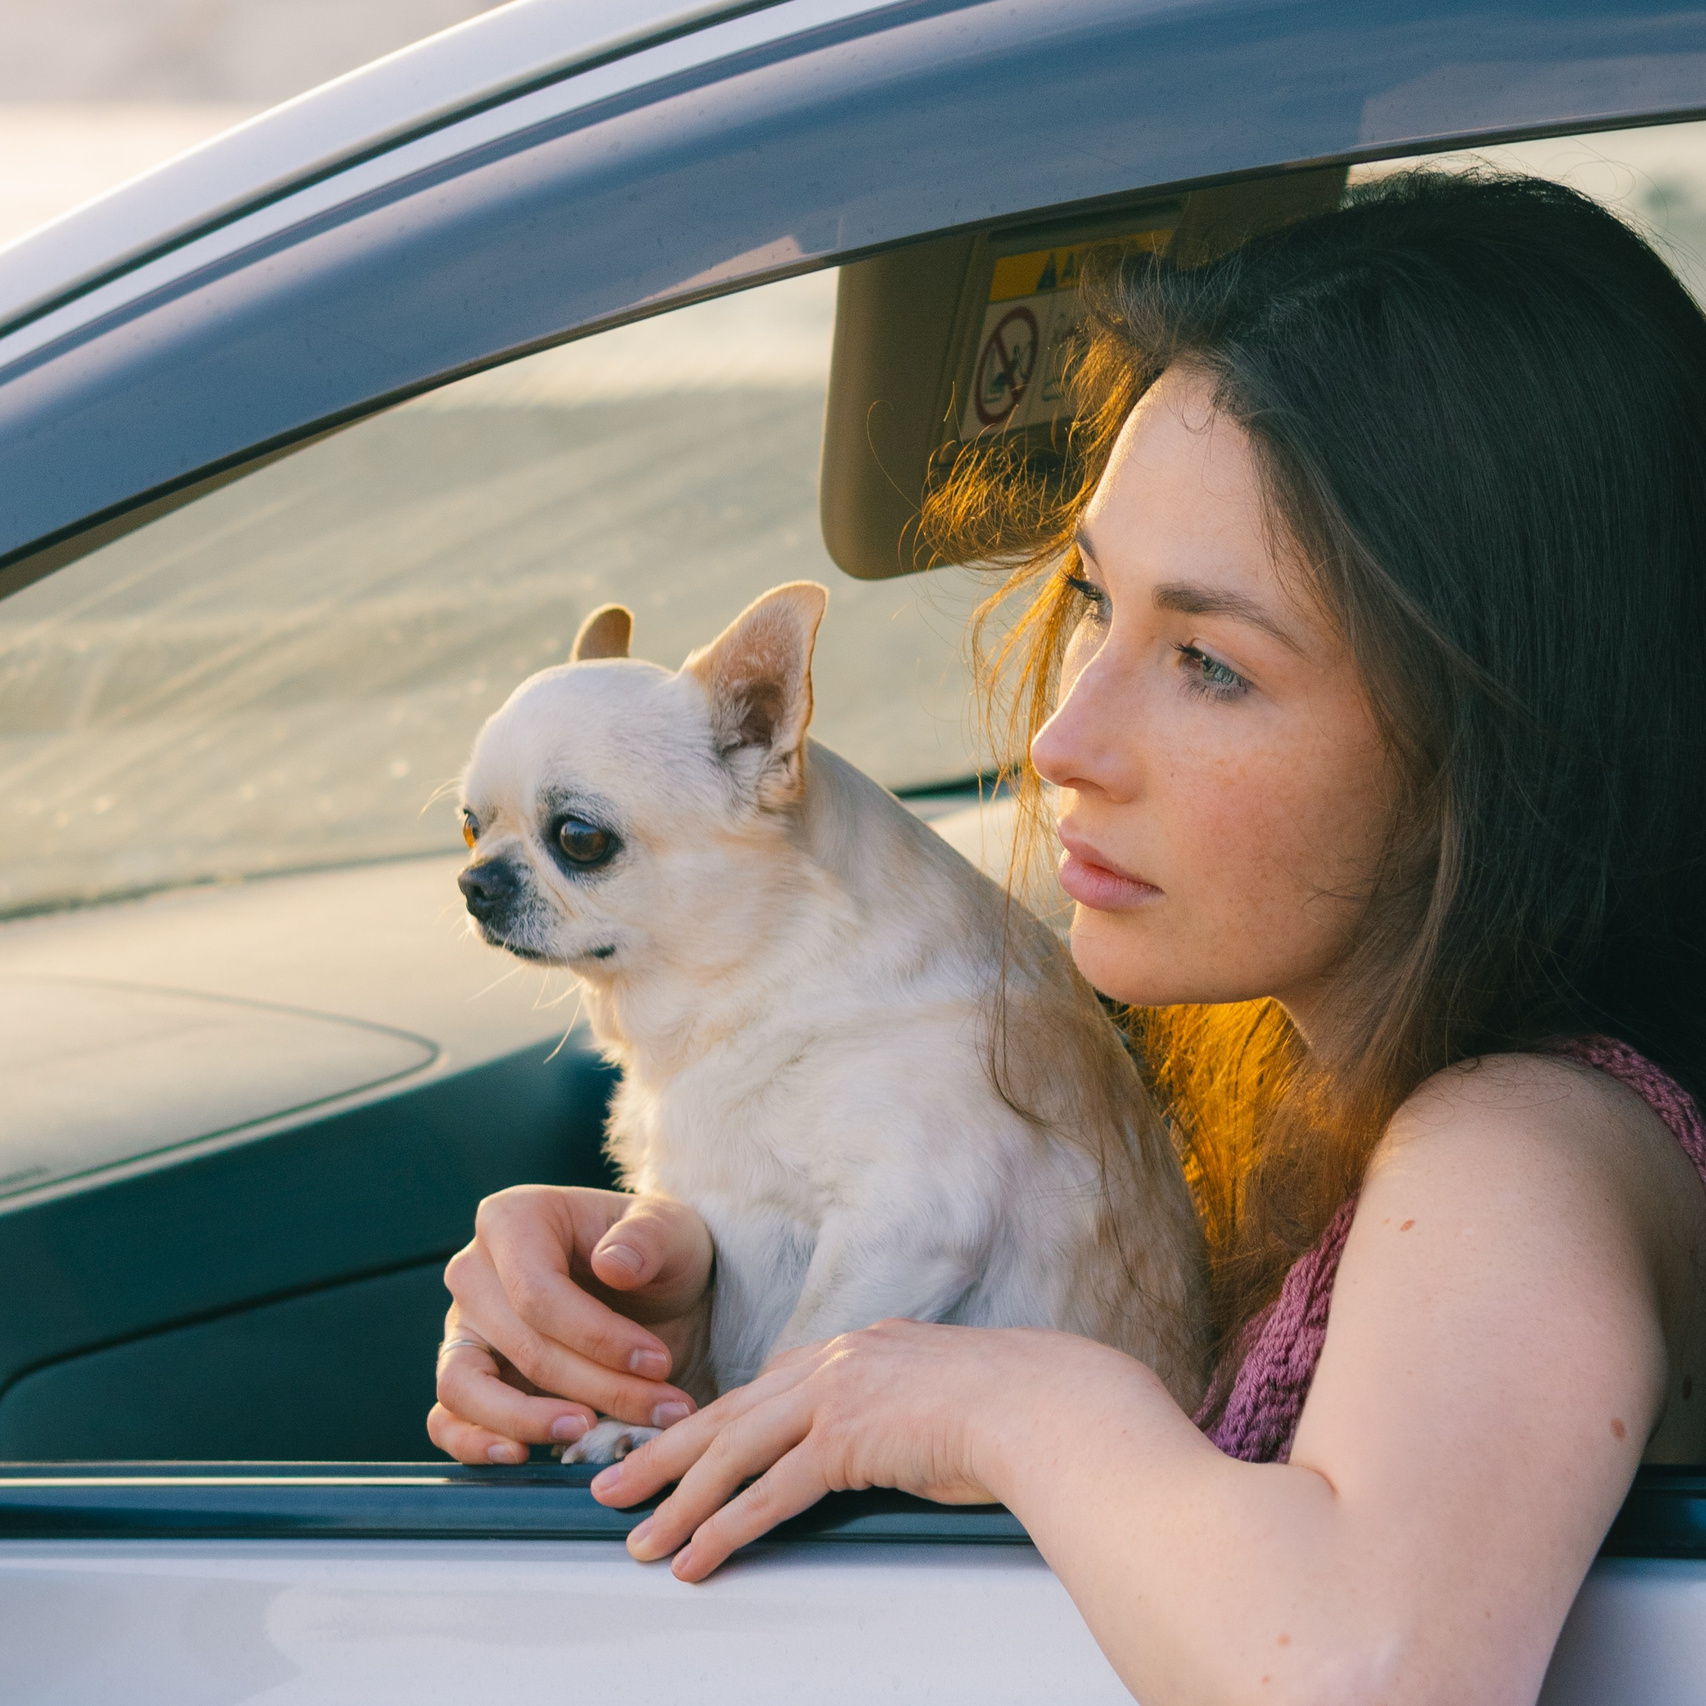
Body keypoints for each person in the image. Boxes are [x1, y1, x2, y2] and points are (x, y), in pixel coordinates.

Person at [427, 171, 1706, 1704]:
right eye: (1096, 600)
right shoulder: (1295, 1087)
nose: (1062, 735)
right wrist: (723, 1316)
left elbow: (1361, 1676)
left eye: (1211, 665)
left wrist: (996, 1407)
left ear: (1490, 739)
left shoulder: (1518, 1147)